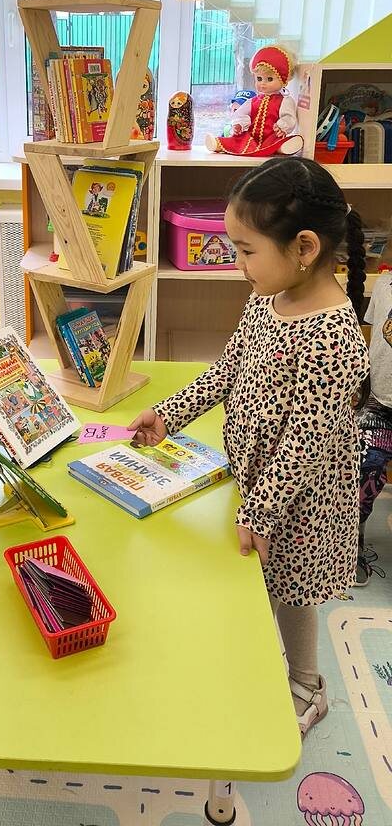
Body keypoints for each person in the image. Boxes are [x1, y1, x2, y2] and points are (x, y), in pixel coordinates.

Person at [128, 157, 368, 737]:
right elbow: (229, 369)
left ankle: (306, 685)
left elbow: (304, 446)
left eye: (245, 251)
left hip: (301, 503)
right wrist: (169, 414)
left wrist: (259, 511)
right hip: (258, 483)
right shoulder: (267, 297)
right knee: (261, 586)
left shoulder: (334, 338)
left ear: (304, 247)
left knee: (293, 591)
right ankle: (255, 665)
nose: (237, 266)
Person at [355, 271, 392, 586]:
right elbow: (375, 340)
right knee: (365, 467)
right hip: (380, 403)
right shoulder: (384, 284)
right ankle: (352, 540)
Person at [205, 46, 303, 157]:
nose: (262, 83)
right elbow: (240, 114)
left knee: (277, 143)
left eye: (269, 79)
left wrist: (282, 126)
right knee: (237, 140)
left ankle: (283, 147)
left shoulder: (285, 101)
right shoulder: (253, 101)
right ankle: (216, 144)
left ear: (284, 80)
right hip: (251, 137)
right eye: (259, 79)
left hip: (272, 136)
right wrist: (239, 125)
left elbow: (289, 117)